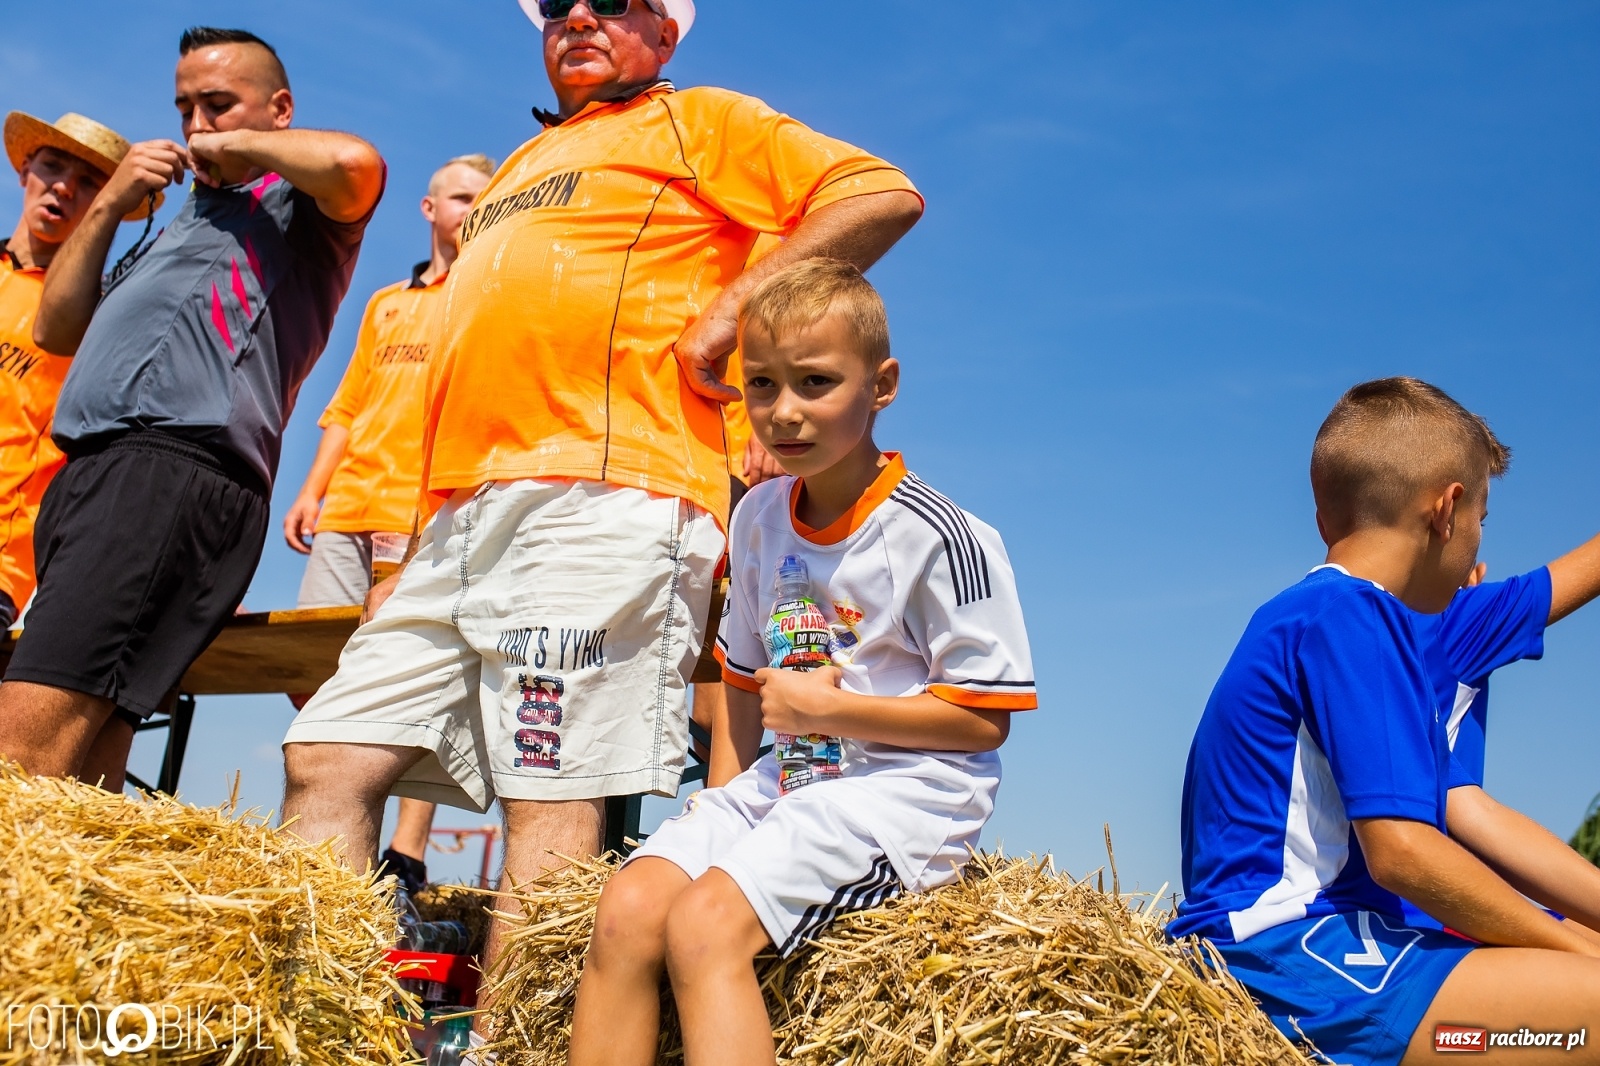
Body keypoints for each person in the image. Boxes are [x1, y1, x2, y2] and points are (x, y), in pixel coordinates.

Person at [280, 2, 923, 1042]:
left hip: (604, 494)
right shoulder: (523, 161)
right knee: (326, 754)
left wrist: (738, 305)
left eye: (615, 0)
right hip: (457, 517)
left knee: (550, 798)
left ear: (665, 33)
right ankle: (317, 1038)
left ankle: (511, 1050)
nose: (578, 14)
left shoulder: (698, 119)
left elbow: (877, 192)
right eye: (560, 0)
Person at [566, 259, 1037, 1066]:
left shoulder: (947, 538)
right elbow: (744, 688)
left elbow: (982, 720)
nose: (784, 413)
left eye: (816, 383)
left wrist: (828, 712)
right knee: (631, 907)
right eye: (761, 386)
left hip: (907, 795)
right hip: (788, 779)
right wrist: (722, 815)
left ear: (881, 385)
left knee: (704, 927)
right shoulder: (755, 518)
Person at [1171, 377, 1600, 1066]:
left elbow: (1461, 809)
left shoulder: (1331, 615)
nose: (1479, 549)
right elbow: (1401, 852)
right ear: (1448, 510)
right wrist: (1579, 946)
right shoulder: (1351, 615)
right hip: (1285, 961)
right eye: (1483, 519)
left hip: (1310, 949)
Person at [2, 26, 385, 791]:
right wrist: (110, 202)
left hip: (167, 470)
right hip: (97, 474)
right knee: (85, 752)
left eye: (220, 105)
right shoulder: (182, 219)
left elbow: (356, 164)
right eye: (186, 110)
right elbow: (55, 327)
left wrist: (245, 147)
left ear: (280, 108)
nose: (198, 127)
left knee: (22, 742)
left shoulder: (295, 205)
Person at [280, 155, 493, 890]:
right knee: (310, 665)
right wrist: (312, 487)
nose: (473, 208)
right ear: (430, 208)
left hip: (420, 507)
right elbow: (347, 406)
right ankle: (338, 806)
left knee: (407, 676)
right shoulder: (387, 303)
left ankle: (403, 850)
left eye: (485, 199)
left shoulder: (485, 297)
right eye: (462, 196)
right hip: (349, 505)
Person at [0, 111, 151, 629]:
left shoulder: (100, 317)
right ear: (24, 170)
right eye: (51, 165)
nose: (64, 186)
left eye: (90, 181)